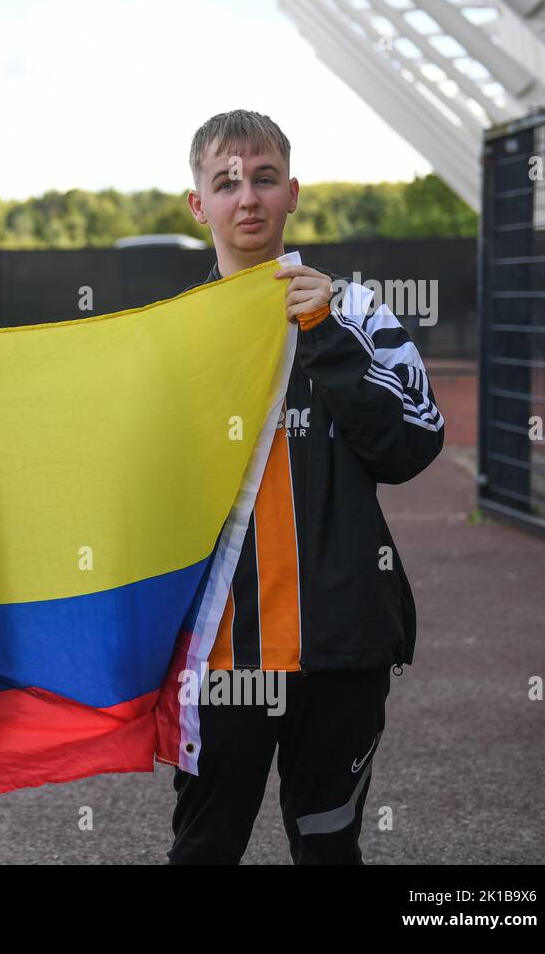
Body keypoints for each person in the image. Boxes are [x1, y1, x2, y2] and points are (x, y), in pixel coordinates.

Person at [169, 109, 444, 864]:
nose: (246, 198)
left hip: (342, 645)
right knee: (203, 849)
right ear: (199, 204)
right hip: (224, 653)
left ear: (292, 193)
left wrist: (324, 334)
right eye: (226, 183)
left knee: (328, 847)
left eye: (263, 179)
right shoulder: (174, 333)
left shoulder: (356, 309)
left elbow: (411, 446)